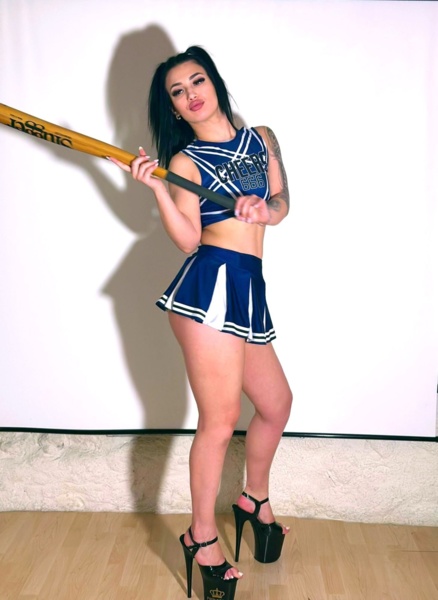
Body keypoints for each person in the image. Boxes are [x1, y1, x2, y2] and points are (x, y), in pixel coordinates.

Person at [110, 45, 292, 600]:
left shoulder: (262, 137)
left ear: (214, 81)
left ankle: (253, 500)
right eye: (178, 91)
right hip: (208, 288)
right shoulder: (185, 164)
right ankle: (202, 537)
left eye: (197, 81)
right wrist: (158, 188)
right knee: (220, 419)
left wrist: (265, 211)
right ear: (173, 108)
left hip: (248, 286)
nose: (191, 94)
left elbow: (282, 202)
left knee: (276, 404)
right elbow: (190, 240)